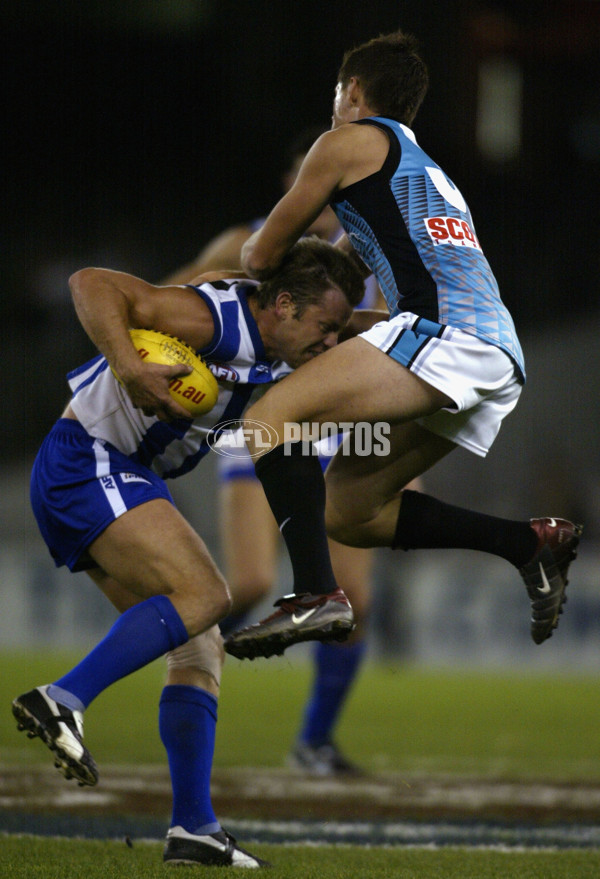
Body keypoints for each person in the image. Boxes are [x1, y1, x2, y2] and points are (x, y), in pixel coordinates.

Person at [221, 29, 583, 662]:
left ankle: (313, 594)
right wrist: (342, 320)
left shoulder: (347, 143)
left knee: (268, 417)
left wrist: (254, 284)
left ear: (353, 90)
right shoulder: (421, 172)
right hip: (495, 356)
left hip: (448, 337)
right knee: (348, 512)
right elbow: (350, 274)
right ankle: (529, 545)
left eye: (338, 91)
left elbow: (261, 253)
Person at [11, 237, 365, 868]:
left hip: (113, 470)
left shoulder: (286, 330)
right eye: (326, 327)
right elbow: (90, 281)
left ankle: (193, 828)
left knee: (199, 645)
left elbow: (348, 302)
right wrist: (127, 363)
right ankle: (62, 698)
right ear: (282, 305)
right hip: (87, 460)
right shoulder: (213, 319)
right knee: (208, 595)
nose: (331, 343)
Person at [162, 127, 395, 776]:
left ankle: (313, 742)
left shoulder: (369, 259)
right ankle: (171, 642)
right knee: (254, 581)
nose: (321, 199)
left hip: (342, 431)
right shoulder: (251, 246)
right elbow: (173, 305)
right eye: (311, 185)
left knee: (353, 601)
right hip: (261, 423)